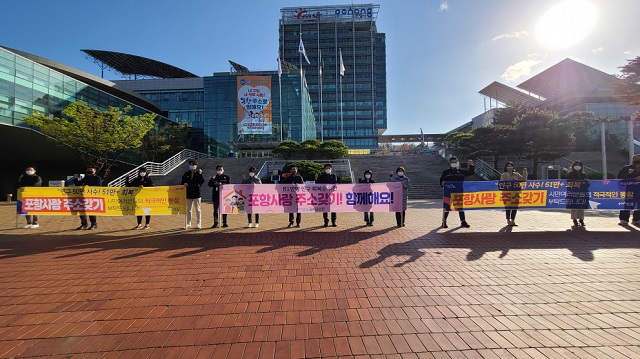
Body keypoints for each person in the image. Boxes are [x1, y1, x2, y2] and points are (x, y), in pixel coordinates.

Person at [440, 156, 474, 228]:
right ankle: (444, 221)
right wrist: (442, 183)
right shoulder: (446, 172)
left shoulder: (461, 171)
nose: (454, 163)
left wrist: (471, 165)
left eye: (455, 162)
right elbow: (441, 181)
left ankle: (463, 221)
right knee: (447, 207)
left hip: (459, 192)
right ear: (450, 163)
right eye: (453, 162)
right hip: (449, 193)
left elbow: (471, 173)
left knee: (460, 207)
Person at [499, 162, 528, 226]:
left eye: (511, 166)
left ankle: (513, 220)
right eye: (508, 166)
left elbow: (523, 180)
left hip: (516, 193)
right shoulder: (503, 175)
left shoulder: (516, 174)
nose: (510, 167)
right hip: (507, 194)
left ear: (513, 167)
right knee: (508, 207)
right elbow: (502, 185)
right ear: (506, 168)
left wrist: (525, 172)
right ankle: (508, 220)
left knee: (515, 207)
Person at [617, 154, 640, 226]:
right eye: (636, 159)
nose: (637, 161)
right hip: (629, 190)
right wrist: (628, 174)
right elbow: (620, 178)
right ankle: (624, 219)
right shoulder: (626, 168)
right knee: (627, 204)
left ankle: (637, 219)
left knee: (639, 206)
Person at [181, 160, 205, 229]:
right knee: (188, 210)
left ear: (196, 166)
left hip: (196, 194)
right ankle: (188, 223)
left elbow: (202, 181)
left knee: (198, 209)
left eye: (193, 165)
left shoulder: (198, 173)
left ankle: (198, 223)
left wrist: (200, 174)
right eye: (190, 165)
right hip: (188, 194)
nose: (191, 166)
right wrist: (184, 183)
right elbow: (182, 181)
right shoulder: (186, 174)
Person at [566, 160, 589, 227]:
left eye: (579, 165)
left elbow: (587, 184)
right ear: (573, 166)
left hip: (582, 193)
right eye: (576, 165)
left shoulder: (584, 174)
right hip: (573, 192)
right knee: (573, 207)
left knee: (582, 206)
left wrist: (586, 182)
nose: (577, 167)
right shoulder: (570, 174)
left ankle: (581, 219)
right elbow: (568, 183)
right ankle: (574, 219)